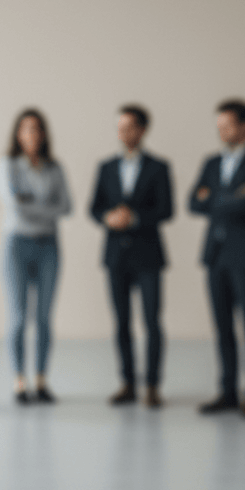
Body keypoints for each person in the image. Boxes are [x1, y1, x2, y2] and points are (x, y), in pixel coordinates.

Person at [188, 99, 245, 418]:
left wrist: (214, 198)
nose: (222, 131)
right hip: (215, 253)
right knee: (222, 327)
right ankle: (227, 391)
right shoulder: (211, 162)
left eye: (228, 125)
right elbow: (192, 203)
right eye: (219, 126)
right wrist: (229, 198)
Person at [89, 105, 174, 408]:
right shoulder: (106, 167)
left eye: (129, 127)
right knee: (121, 321)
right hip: (116, 256)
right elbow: (94, 207)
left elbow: (167, 209)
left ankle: (152, 384)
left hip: (148, 254)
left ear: (142, 130)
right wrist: (108, 217)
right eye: (119, 127)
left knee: (152, 321)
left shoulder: (159, 167)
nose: (123, 133)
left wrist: (135, 217)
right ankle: (127, 382)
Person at [0, 108, 72, 404]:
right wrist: (43, 205)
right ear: (18, 134)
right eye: (26, 129)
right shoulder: (7, 165)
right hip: (16, 244)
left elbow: (66, 206)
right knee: (17, 317)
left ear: (44, 134)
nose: (32, 135)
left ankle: (41, 379)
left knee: (43, 317)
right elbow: (15, 207)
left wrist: (31, 202)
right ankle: (19, 380)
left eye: (37, 129)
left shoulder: (54, 168)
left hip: (48, 246)